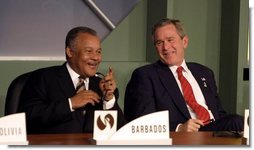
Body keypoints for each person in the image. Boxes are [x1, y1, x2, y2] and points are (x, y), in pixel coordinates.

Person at [124, 18, 244, 132]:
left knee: (242, 124)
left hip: (215, 132)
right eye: (159, 43)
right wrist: (178, 128)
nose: (166, 47)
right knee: (236, 122)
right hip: (185, 137)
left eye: (170, 40)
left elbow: (219, 114)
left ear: (184, 42)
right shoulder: (145, 75)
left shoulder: (204, 72)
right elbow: (142, 120)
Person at [18, 26, 126, 134]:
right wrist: (70, 104)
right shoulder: (43, 78)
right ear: (70, 52)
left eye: (98, 52)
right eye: (89, 51)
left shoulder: (102, 86)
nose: (96, 57)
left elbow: (122, 131)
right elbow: (27, 118)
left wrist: (108, 100)